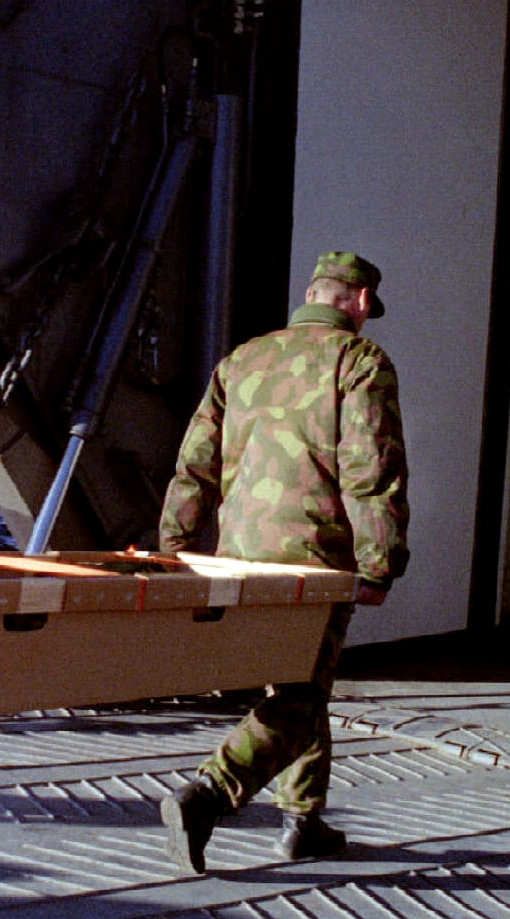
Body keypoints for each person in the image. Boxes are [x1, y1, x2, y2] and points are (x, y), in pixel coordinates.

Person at [157, 251, 409, 875]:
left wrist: (176, 549)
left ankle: (303, 821)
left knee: (295, 681)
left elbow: (194, 465)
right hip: (312, 560)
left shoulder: (242, 360)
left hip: (239, 557)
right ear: (357, 300)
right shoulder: (358, 360)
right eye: (366, 309)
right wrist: (379, 563)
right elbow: (371, 469)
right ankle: (208, 795)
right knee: (300, 693)